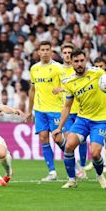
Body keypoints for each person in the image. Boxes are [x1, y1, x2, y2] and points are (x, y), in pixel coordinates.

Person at [52, 49, 106, 189]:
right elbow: (67, 107)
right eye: (76, 61)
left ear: (86, 60)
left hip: (100, 120)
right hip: (83, 119)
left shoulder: (97, 73)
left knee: (95, 153)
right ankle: (72, 180)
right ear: (71, 62)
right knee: (69, 146)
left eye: (81, 61)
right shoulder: (69, 82)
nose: (79, 64)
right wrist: (59, 128)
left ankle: (100, 175)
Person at [26, 41, 66, 182]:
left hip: (55, 109)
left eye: (47, 49)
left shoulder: (58, 68)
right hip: (40, 110)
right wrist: (30, 110)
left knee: (58, 139)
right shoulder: (34, 69)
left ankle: (74, 162)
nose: (44, 52)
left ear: (51, 51)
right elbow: (33, 90)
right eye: (42, 50)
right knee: (43, 137)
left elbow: (68, 85)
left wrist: (60, 89)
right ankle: (52, 172)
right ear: (38, 52)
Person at [52, 43, 88, 179]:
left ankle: (82, 167)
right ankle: (76, 166)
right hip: (66, 110)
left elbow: (76, 86)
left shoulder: (78, 69)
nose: (67, 55)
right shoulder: (58, 70)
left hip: (80, 109)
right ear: (62, 54)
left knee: (82, 140)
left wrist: (61, 89)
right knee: (67, 138)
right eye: (65, 52)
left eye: (69, 52)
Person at [84, 57, 106, 173]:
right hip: (95, 113)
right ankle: (94, 161)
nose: (98, 68)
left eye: (100, 66)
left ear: (105, 66)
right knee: (93, 139)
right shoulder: (92, 78)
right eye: (96, 66)